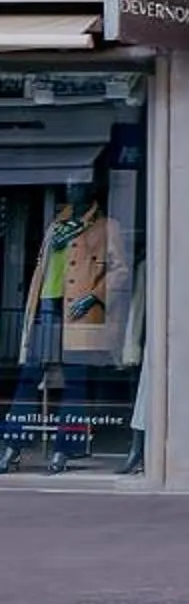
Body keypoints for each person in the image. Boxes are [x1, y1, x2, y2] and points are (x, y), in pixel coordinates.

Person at [2, 184, 130, 475]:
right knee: (28, 379)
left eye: (79, 182)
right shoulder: (56, 226)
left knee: (75, 385)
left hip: (79, 316)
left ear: (91, 188)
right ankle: (12, 444)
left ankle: (64, 449)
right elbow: (41, 268)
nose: (72, 188)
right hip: (46, 306)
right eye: (69, 183)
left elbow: (120, 270)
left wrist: (95, 295)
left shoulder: (107, 227)